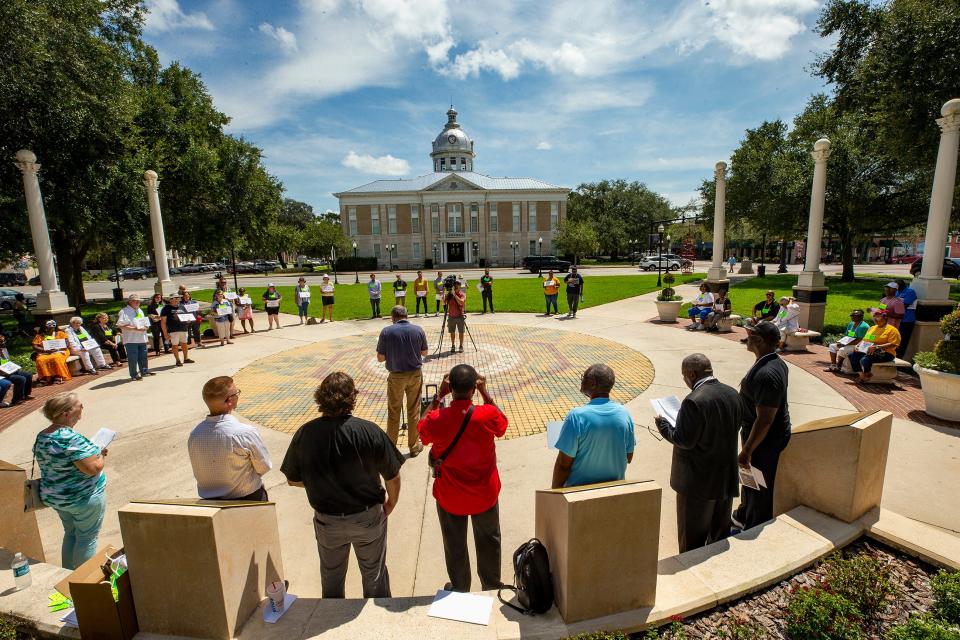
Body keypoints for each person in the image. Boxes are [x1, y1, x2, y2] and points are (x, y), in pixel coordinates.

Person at [280, 372, 403, 599]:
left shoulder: (305, 433)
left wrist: (320, 482)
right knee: (374, 576)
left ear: (321, 398)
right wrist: (391, 503)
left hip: (328, 522)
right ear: (352, 398)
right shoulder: (369, 430)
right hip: (367, 518)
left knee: (331, 578)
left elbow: (292, 479)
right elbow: (392, 476)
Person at [418, 365, 508, 592]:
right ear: (473, 389)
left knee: (454, 544)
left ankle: (460, 588)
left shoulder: (438, 419)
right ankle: (491, 585)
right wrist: (485, 392)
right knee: (489, 541)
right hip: (484, 494)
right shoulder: (486, 415)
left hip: (451, 496)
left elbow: (421, 428)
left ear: (451, 388)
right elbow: (502, 425)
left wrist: (439, 395)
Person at [655, 354, 742, 552]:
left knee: (691, 543)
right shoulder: (732, 393)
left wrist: (663, 426)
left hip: (696, 483)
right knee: (719, 536)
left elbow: (683, 440)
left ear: (692, 374)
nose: (684, 380)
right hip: (724, 479)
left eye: (684, 376)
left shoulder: (693, 401)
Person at [34, 393, 108, 569]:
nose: (82, 408)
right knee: (87, 538)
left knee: (71, 534)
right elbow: (92, 469)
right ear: (66, 413)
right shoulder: (69, 437)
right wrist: (101, 456)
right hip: (81, 498)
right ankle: (84, 584)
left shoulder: (43, 435)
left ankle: (67, 578)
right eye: (79, 405)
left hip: (57, 498)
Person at [733, 321, 791, 532]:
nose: (747, 337)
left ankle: (753, 524)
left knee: (759, 485)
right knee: (750, 481)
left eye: (750, 335)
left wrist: (747, 450)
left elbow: (765, 419)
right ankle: (744, 513)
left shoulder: (767, 374)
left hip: (763, 441)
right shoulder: (773, 362)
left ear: (758, 340)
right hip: (758, 436)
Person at [188, 376, 272, 501]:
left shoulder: (195, 434)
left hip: (211, 503)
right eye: (236, 393)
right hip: (248, 499)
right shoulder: (244, 433)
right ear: (230, 401)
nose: (238, 395)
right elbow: (264, 466)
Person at [552, 364, 635, 488]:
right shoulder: (624, 414)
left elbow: (564, 465)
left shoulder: (576, 416)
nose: (582, 381)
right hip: (615, 491)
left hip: (579, 495)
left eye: (584, 378)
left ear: (592, 383)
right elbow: (628, 457)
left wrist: (554, 495)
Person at [376, 305, 428, 455]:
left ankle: (391, 448)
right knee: (414, 411)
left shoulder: (386, 331)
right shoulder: (418, 330)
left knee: (394, 411)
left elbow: (380, 358)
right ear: (407, 315)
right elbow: (424, 353)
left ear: (393, 317)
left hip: (396, 377)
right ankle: (414, 446)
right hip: (415, 375)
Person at [848, 310, 901, 383]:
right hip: (869, 350)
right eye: (874, 317)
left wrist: (877, 347)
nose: (875, 319)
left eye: (878, 317)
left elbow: (893, 344)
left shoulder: (892, 330)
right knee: (852, 355)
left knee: (864, 360)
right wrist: (857, 346)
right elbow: (865, 340)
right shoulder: (872, 328)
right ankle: (862, 375)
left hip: (886, 353)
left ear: (885, 318)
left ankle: (867, 374)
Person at [117, 294, 153, 380]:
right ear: (130, 302)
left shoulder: (140, 310)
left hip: (141, 338)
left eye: (139, 301)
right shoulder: (124, 311)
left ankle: (144, 371)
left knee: (143, 356)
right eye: (135, 301)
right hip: (131, 339)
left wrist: (146, 326)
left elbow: (143, 322)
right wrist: (135, 329)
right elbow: (120, 325)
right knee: (133, 358)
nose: (138, 303)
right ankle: (134, 374)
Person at [33, 320, 72, 384]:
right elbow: (35, 346)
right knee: (40, 359)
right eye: (49, 327)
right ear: (44, 327)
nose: (51, 328)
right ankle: (46, 377)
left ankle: (58, 376)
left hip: (60, 351)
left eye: (53, 326)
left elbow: (67, 344)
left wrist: (58, 348)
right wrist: (45, 350)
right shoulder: (40, 336)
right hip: (45, 352)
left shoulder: (60, 333)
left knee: (56, 358)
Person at [160, 292, 194, 367]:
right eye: (175, 298)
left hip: (183, 329)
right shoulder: (166, 308)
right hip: (173, 330)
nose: (177, 299)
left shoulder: (182, 307)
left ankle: (186, 358)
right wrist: (165, 333)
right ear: (171, 300)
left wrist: (188, 320)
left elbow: (187, 316)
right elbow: (163, 322)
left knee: (184, 344)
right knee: (175, 345)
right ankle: (178, 360)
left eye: (178, 298)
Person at [0, 334, 33, 407]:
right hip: (2, 374)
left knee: (28, 375)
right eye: (0, 342)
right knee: (20, 379)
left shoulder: (4, 350)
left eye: (3, 341)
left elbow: (8, 361)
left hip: (8, 370)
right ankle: (16, 399)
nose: (2, 343)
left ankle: (25, 395)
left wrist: (14, 367)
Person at [895, 278, 917, 358]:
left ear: (902, 286)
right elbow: (885, 306)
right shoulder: (896, 292)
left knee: (903, 341)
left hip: (907, 320)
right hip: (896, 320)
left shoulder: (910, 292)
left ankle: (899, 358)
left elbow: (904, 305)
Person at [446, 279, 467, 353]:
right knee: (452, 332)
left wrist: (454, 295)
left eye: (457, 284)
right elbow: (444, 302)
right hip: (451, 316)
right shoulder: (450, 294)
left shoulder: (462, 294)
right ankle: (453, 345)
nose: (456, 286)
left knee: (461, 332)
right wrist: (444, 295)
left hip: (460, 316)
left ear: (460, 286)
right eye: (455, 284)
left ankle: (461, 345)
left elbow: (461, 302)